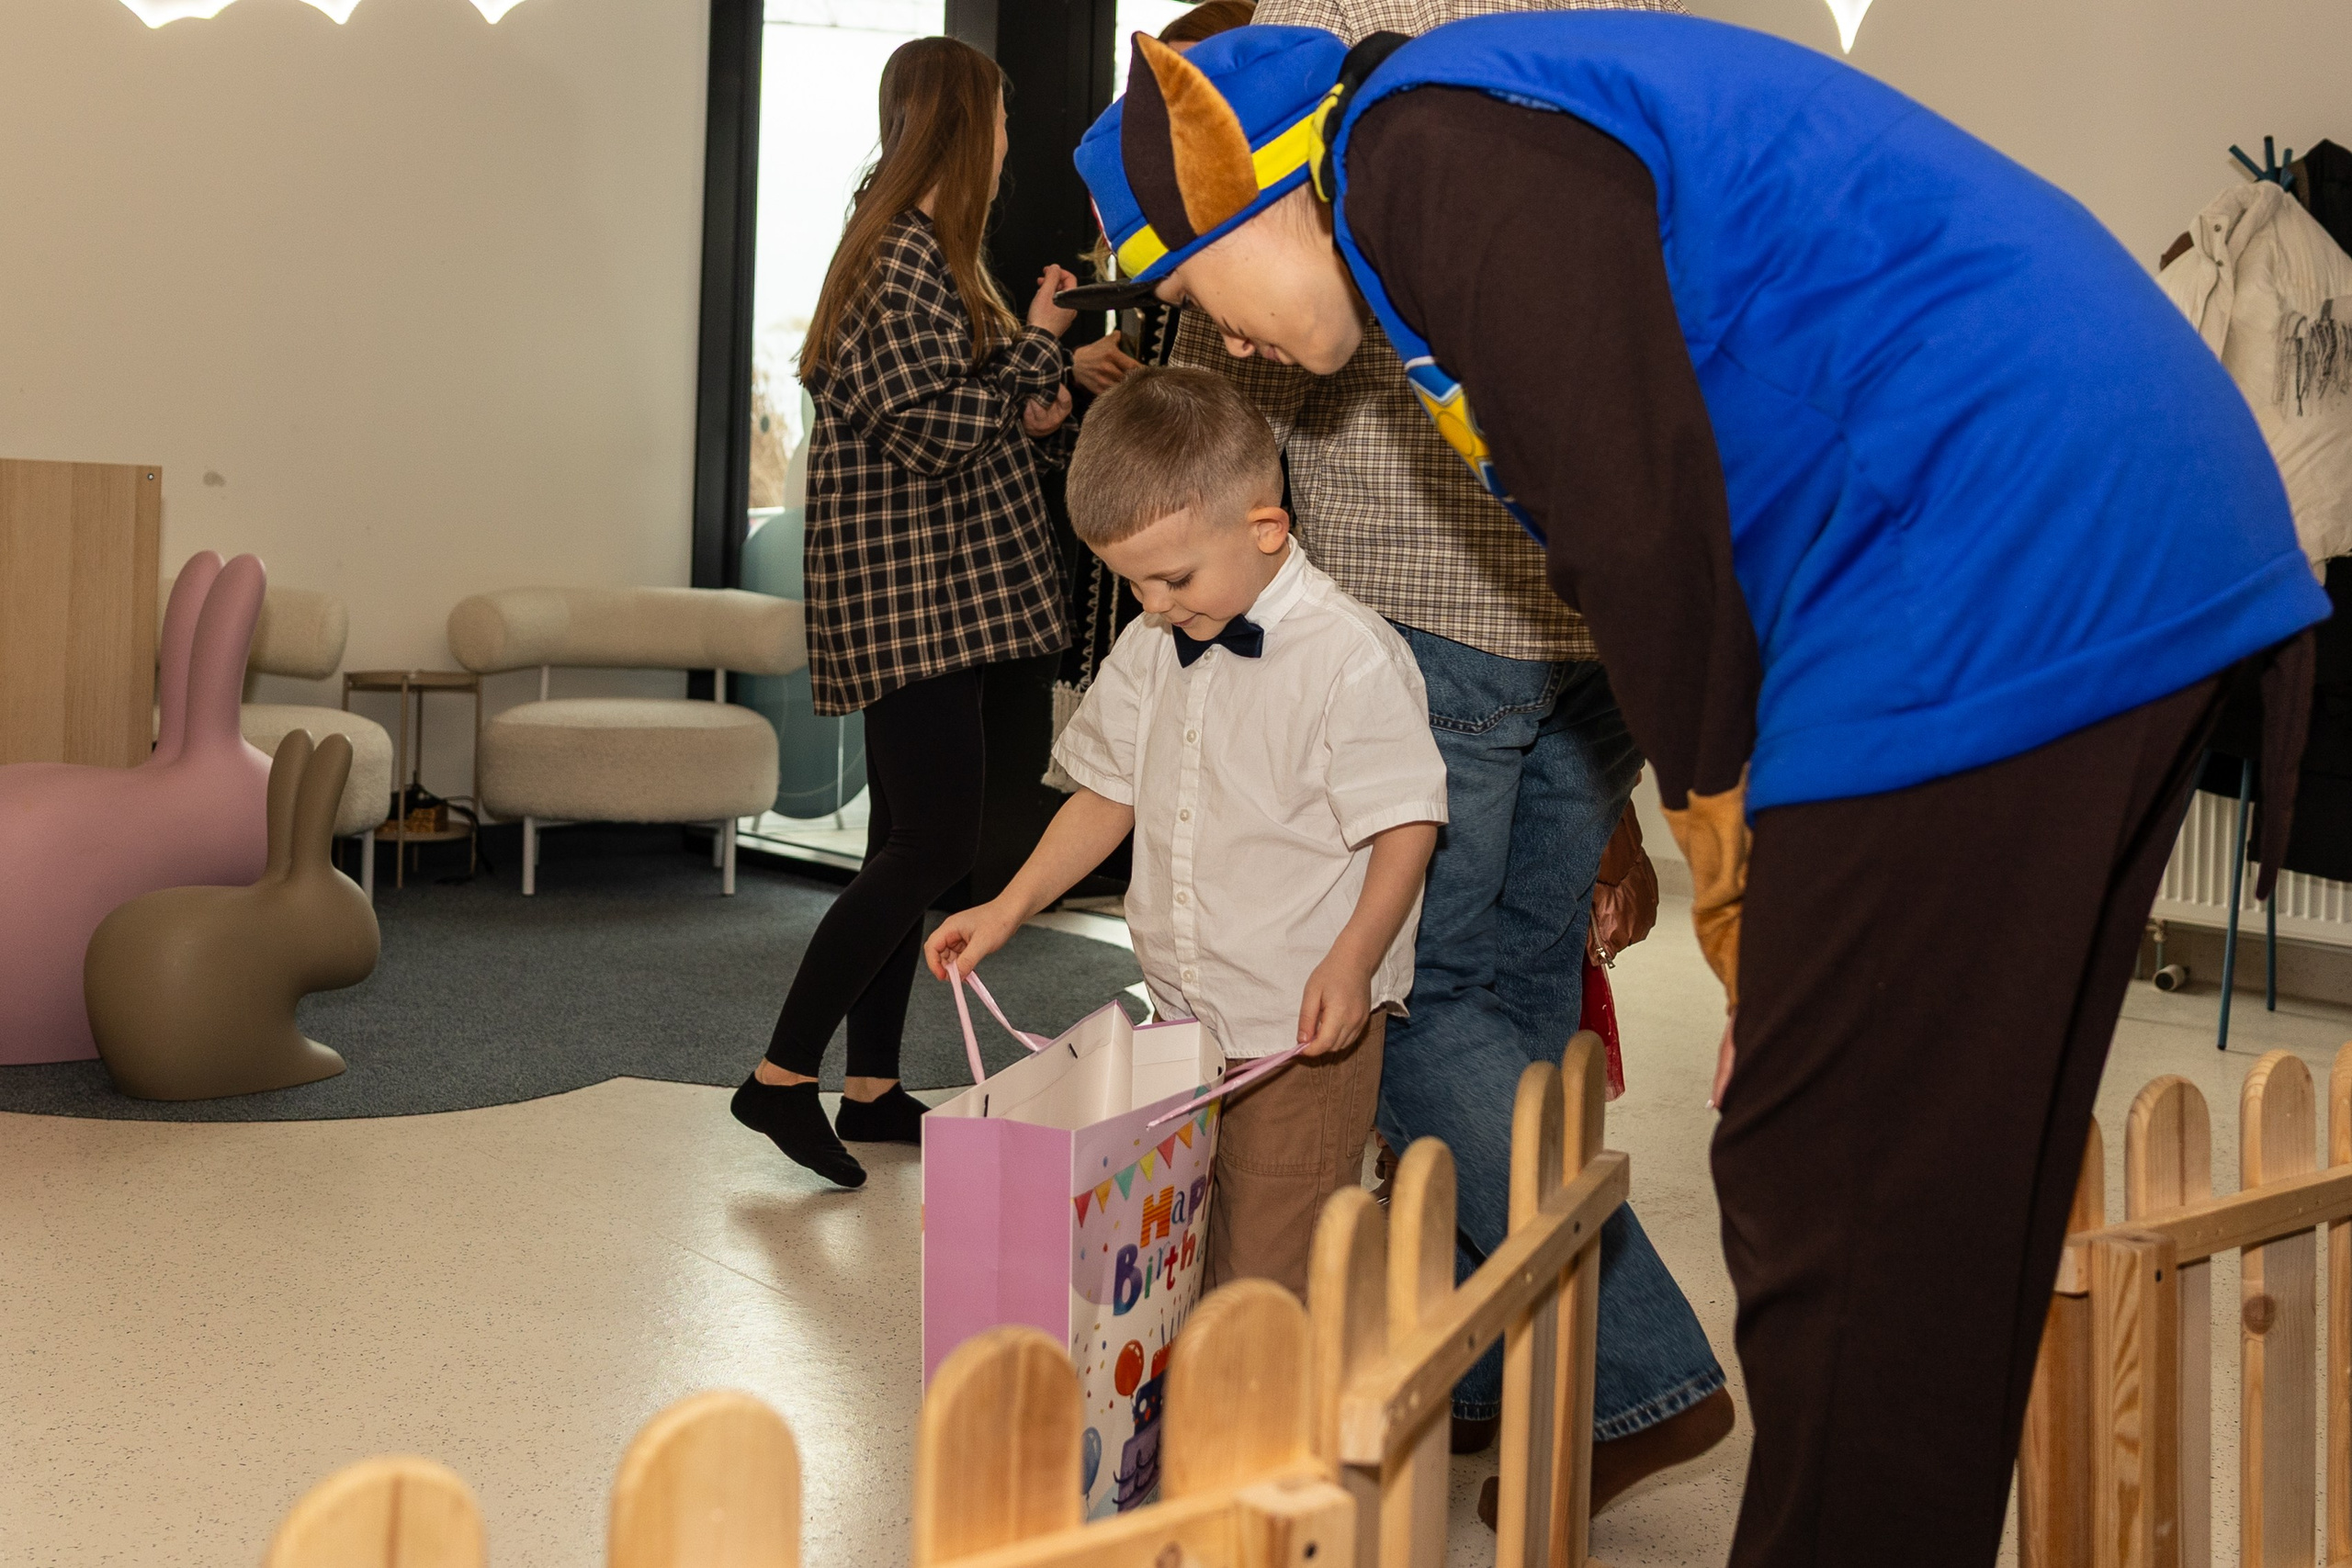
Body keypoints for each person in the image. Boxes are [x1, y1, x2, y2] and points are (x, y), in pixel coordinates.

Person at [1064, 17, 2326, 1566]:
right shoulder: (1458, 139)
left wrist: (1733, 847)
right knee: (1942, 1189)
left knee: (1831, 1195)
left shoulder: (1409, 149)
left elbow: (1633, 503)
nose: (1226, 343)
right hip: (2135, 524)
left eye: (1196, 291)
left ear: (1241, 178)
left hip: (1988, 544)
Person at [1134, 0, 1733, 1520]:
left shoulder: (1319, 35)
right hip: (1590, 597)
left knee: (1422, 1004)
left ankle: (1639, 1373)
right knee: (1518, 1001)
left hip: (1435, 600)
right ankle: (1490, 1369)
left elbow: (1290, 341)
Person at [924, 367, 1446, 1293]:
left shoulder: (1348, 657)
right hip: (1182, 1027)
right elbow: (1105, 795)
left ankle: (1268, 1436)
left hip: (1300, 1030)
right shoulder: (1150, 644)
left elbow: (1405, 827)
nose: (1154, 605)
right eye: (1131, 585)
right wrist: (1006, 907)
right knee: (1178, 1270)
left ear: (1265, 529)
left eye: (1171, 579)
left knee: (1269, 1282)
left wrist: (1353, 960)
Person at [732, 36, 1082, 1190]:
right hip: (916, 596)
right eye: (997, 117)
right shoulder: (898, 257)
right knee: (930, 844)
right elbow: (933, 426)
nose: (1006, 139)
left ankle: (871, 1085)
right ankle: (782, 1077)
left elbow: (952, 410)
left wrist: (1032, 378)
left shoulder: (927, 252)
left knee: (909, 844)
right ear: (961, 125)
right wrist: (1043, 355)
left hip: (935, 590)